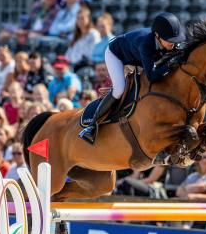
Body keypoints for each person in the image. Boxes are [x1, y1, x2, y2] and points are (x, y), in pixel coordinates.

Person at [79, 12, 186, 144]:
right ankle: (92, 126)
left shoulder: (167, 43)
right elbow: (152, 76)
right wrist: (170, 64)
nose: (173, 43)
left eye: (174, 39)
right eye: (169, 39)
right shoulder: (146, 44)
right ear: (157, 36)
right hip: (116, 55)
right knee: (119, 89)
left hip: (136, 58)